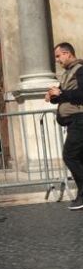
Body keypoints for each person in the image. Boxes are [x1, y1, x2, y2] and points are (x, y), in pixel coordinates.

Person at [46, 42, 83, 210]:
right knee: (78, 157)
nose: (57, 60)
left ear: (68, 53)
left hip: (80, 120)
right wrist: (52, 95)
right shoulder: (67, 74)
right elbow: (61, 97)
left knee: (70, 155)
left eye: (58, 56)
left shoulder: (80, 69)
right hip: (73, 121)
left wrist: (60, 93)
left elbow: (81, 94)